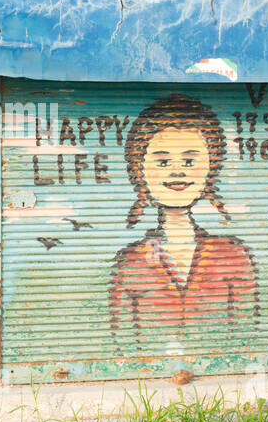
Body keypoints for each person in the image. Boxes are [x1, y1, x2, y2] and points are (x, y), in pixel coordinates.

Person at [109, 94, 258, 333]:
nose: (177, 172)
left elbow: (249, 334)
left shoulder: (234, 255)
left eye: (189, 161)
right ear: (140, 170)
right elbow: (123, 342)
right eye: (163, 162)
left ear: (211, 167)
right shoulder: (129, 263)